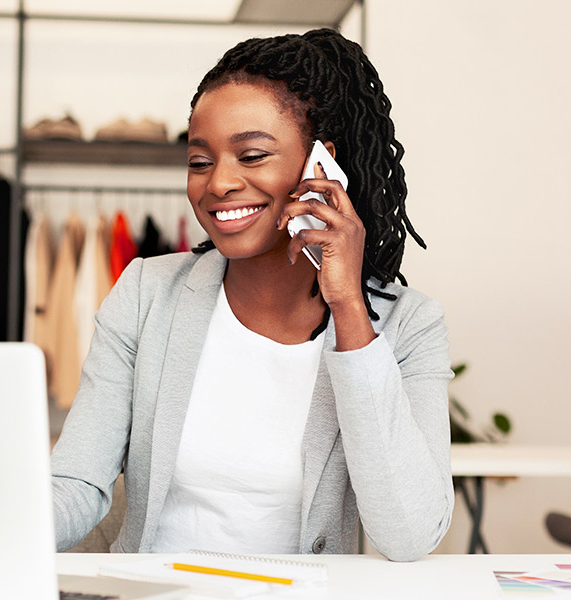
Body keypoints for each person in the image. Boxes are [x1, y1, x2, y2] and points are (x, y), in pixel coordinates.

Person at [51, 29, 454, 562]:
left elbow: (409, 535)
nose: (218, 183)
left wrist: (349, 308)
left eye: (252, 155)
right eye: (200, 161)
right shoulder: (147, 293)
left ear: (321, 166)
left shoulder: (409, 326)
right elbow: (78, 483)